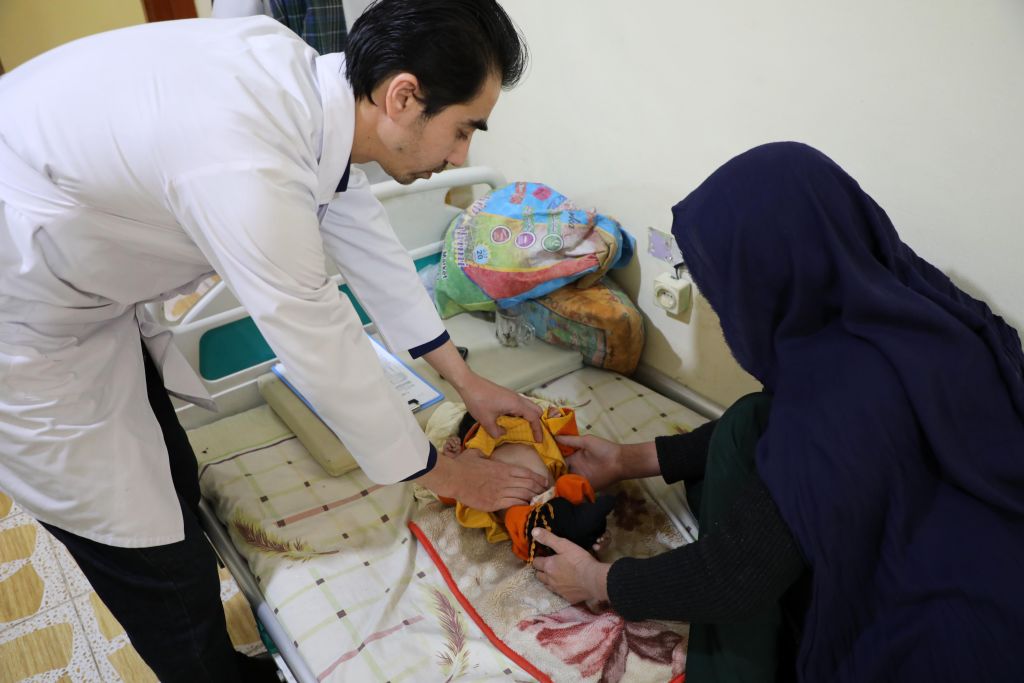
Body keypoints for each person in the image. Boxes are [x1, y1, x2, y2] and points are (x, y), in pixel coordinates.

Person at [0, 2, 548, 680]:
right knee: (152, 556)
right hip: (23, 327)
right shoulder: (247, 157)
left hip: (75, 282)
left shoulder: (304, 91)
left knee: (170, 475)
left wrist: (464, 380)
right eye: (463, 129)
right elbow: (319, 337)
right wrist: (449, 472)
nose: (462, 155)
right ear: (404, 96)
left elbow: (357, 225)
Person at [529, 142, 1024, 682]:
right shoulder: (913, 305)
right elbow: (783, 422)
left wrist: (599, 582)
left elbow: (736, 577)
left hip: (951, 644)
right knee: (748, 421)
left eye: (721, 296)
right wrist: (629, 459)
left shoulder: (838, 402)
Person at [438, 406, 615, 562]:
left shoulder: (532, 431)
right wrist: (453, 462)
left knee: (571, 483)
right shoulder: (473, 458)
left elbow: (566, 445)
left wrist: (557, 420)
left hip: (557, 496)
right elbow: (452, 489)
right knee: (517, 517)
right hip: (525, 514)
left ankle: (589, 528)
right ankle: (571, 539)